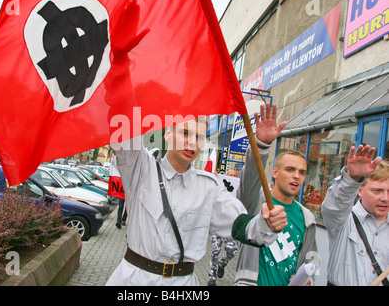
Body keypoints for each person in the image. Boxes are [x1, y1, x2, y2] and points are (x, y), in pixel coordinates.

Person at [106, 117, 288, 286]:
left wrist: (268, 223)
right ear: (167, 134)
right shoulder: (140, 166)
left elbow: (242, 225)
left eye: (200, 136)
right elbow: (123, 122)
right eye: (185, 133)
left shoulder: (209, 188)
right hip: (134, 279)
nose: (192, 142)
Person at [234, 103, 318, 286]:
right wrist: (262, 145)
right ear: (275, 172)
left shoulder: (307, 218)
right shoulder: (255, 202)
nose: (296, 175)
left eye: (302, 172)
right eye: (290, 169)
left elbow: (311, 258)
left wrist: (308, 277)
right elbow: (249, 179)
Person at [322, 145, 388, 286]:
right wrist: (351, 179)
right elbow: (334, 205)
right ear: (360, 190)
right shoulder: (343, 220)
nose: (385, 198)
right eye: (377, 190)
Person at [208, 168, 241, 286]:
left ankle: (222, 264)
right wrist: (214, 178)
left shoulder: (240, 189)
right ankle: (212, 276)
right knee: (215, 250)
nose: (232, 177)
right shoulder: (220, 186)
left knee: (231, 251)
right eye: (230, 175)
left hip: (232, 226)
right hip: (219, 222)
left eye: (234, 175)